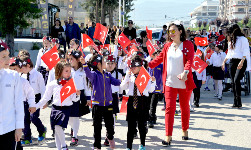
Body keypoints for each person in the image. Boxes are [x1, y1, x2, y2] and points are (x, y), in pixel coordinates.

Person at [148, 22, 196, 146]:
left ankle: (185, 129)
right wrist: (147, 64)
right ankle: (168, 136)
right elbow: (160, 58)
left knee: (184, 107)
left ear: (180, 31)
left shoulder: (188, 44)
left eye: (174, 30)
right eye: (170, 31)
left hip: (184, 81)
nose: (171, 33)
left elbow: (190, 60)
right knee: (169, 108)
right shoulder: (167, 45)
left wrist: (185, 72)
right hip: (169, 82)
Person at [36, 60, 80, 150]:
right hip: (55, 108)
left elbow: (74, 99)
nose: (68, 73)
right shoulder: (52, 84)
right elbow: (46, 97)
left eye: (69, 71)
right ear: (59, 71)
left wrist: (77, 94)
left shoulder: (71, 84)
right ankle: (59, 148)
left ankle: (64, 146)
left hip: (66, 109)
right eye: (66, 71)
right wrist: (36, 106)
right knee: (56, 131)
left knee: (58, 127)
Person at [82, 54, 121, 150]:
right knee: (97, 127)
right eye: (104, 61)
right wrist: (84, 65)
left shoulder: (108, 75)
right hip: (97, 105)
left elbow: (116, 82)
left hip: (108, 105)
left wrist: (124, 80)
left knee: (110, 126)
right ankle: (97, 146)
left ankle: (110, 137)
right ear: (99, 64)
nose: (106, 63)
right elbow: (88, 74)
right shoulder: (94, 75)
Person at [120, 55, 156, 150]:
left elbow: (151, 90)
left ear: (140, 67)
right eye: (131, 67)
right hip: (132, 100)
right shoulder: (129, 75)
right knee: (131, 126)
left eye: (134, 67)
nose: (132, 69)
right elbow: (122, 87)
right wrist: (127, 77)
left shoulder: (145, 76)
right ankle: (129, 146)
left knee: (142, 125)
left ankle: (142, 144)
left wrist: (153, 82)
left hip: (142, 101)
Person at [0, 43, 24, 150]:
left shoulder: (13, 76)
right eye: (3, 57)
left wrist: (19, 127)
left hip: (9, 128)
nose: (8, 59)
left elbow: (18, 103)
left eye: (8, 56)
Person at [9, 57, 36, 146]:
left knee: (24, 123)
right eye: (10, 69)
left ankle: (26, 138)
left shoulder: (23, 82)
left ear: (20, 70)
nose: (13, 72)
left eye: (15, 69)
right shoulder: (5, 82)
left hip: (22, 105)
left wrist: (32, 105)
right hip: (9, 107)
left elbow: (30, 94)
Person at [222, 24, 251, 108]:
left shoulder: (243, 39)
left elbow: (246, 51)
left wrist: (241, 62)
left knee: (236, 80)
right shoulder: (231, 40)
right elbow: (229, 53)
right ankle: (236, 101)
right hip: (232, 61)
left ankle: (239, 100)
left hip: (241, 61)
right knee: (233, 82)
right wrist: (224, 62)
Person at [20, 55, 47, 143]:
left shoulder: (37, 75)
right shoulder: (22, 75)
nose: (21, 70)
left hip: (36, 98)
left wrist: (44, 101)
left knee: (33, 117)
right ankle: (27, 137)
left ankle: (42, 130)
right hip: (25, 99)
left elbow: (43, 89)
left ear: (28, 66)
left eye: (22, 68)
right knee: (25, 119)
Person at [68, 50, 91, 146]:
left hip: (80, 95)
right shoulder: (67, 69)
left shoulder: (83, 71)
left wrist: (88, 98)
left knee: (76, 116)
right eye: (69, 59)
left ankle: (75, 136)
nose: (70, 61)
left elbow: (86, 85)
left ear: (78, 60)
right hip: (69, 95)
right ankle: (73, 128)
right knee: (69, 116)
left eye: (72, 59)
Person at [148, 51, 163, 128]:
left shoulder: (161, 65)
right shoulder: (148, 64)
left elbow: (164, 75)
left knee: (153, 104)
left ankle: (151, 119)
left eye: (158, 54)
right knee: (148, 103)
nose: (157, 56)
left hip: (157, 87)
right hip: (148, 87)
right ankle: (153, 116)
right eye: (155, 54)